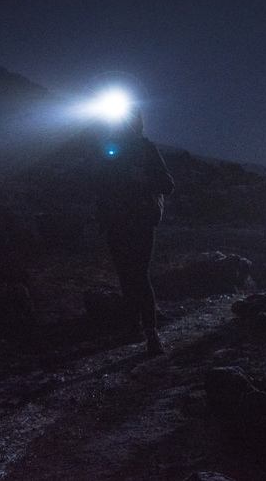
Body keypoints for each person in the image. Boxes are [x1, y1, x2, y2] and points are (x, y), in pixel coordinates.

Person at [93, 107, 175, 355]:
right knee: (127, 276)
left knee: (137, 275)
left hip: (139, 222)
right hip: (119, 222)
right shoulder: (110, 149)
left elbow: (168, 185)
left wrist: (144, 179)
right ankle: (134, 328)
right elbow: (100, 185)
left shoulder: (146, 150)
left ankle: (150, 333)